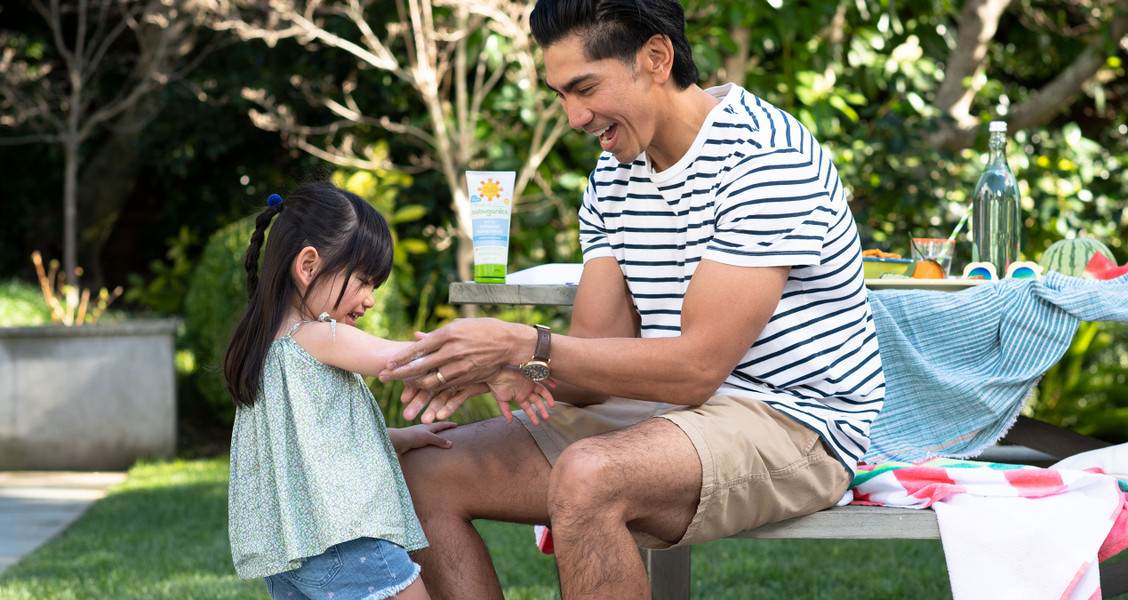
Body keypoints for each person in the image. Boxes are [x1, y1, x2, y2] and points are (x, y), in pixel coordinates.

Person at [381, 0, 885, 597]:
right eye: (561, 94)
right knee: (420, 472)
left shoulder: (765, 160)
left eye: (584, 87)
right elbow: (596, 360)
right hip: (667, 409)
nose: (573, 116)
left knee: (590, 476)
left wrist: (527, 343)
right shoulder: (613, 175)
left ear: (655, 57)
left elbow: (698, 368)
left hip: (795, 419)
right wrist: (508, 365)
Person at [221, 182, 555, 600]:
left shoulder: (266, 348)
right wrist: (497, 370)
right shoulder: (316, 336)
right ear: (308, 266)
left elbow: (308, 445)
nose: (370, 300)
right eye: (363, 281)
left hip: (293, 558)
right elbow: (405, 360)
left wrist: (397, 438)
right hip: (349, 540)